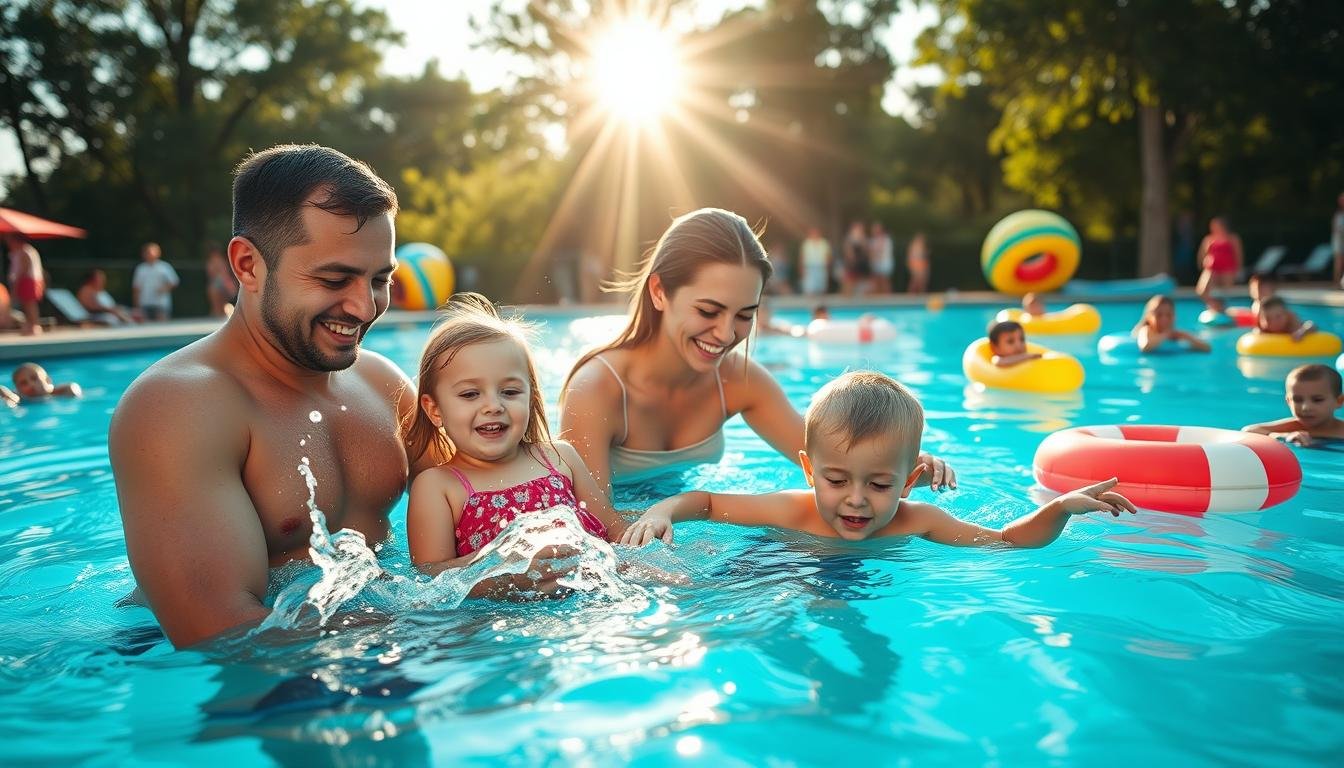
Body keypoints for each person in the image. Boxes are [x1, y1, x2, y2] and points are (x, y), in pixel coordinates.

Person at [109, 144, 422, 648]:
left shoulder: (383, 385)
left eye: (380, 280)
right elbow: (219, 634)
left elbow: (485, 499)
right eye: (334, 279)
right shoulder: (177, 408)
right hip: (212, 681)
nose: (365, 307)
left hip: (363, 645)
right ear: (249, 265)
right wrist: (440, 633)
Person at [559, 207, 955, 498]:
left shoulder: (737, 379)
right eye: (708, 311)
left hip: (678, 520)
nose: (726, 333)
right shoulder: (598, 388)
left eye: (745, 315)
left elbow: (825, 456)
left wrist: (910, 465)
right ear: (660, 291)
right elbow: (589, 517)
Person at [621, 372, 1134, 547]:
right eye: (837, 479)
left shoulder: (920, 521)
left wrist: (1060, 509)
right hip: (777, 569)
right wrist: (662, 510)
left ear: (910, 481)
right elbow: (708, 503)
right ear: (808, 470)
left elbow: (1005, 542)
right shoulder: (791, 510)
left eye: (881, 485)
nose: (858, 500)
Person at [404, 294, 626, 594]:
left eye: (509, 391)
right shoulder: (439, 486)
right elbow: (430, 577)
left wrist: (650, 529)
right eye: (470, 395)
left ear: (532, 397)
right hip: (498, 625)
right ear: (435, 410)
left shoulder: (560, 459)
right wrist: (504, 564)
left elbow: (615, 532)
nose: (493, 406)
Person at [1243, 364, 1344, 448]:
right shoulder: (1291, 427)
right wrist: (1283, 436)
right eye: (1297, 400)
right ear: (1288, 401)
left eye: (1317, 400)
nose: (1306, 407)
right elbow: (1248, 431)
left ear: (1339, 401)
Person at [1194, 216, 1242, 310]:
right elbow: (1203, 254)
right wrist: (1203, 263)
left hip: (1228, 268)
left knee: (1226, 291)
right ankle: (1212, 306)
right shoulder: (1209, 239)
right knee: (1202, 290)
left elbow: (1238, 254)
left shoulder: (1232, 238)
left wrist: (1238, 270)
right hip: (1213, 268)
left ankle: (1224, 308)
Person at [1133, 295, 1210, 353]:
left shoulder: (1176, 334)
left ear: (1174, 316)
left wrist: (1187, 337)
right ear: (1149, 317)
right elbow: (1144, 347)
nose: (1164, 319)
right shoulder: (1146, 330)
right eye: (1159, 315)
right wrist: (1165, 335)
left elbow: (1207, 348)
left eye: (1169, 315)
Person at [5, 233, 45, 335]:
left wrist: (16, 284)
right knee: (26, 303)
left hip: (27, 280)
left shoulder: (25, 251)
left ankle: (35, 326)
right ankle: (31, 325)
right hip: (28, 280)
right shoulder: (21, 251)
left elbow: (23, 269)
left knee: (29, 303)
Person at [131, 242, 180, 321]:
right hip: (145, 304)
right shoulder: (140, 269)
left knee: (162, 328)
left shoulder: (164, 267)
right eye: (148, 252)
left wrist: (164, 288)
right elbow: (136, 288)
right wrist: (136, 307)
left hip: (161, 304)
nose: (150, 254)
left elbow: (174, 281)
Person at [3, 362, 81, 405]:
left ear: (47, 380)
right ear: (18, 389)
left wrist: (50, 390)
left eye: (34, 378)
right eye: (24, 383)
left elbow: (72, 387)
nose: (31, 384)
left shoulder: (59, 392)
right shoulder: (20, 398)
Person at [204, 242, 240, 317]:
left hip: (223, 283)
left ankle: (219, 312)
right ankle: (217, 312)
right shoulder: (213, 261)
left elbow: (224, 274)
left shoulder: (220, 261)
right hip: (219, 283)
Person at [798, 227, 831, 296]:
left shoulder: (824, 243)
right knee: (809, 289)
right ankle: (810, 305)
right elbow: (802, 257)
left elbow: (828, 256)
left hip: (821, 267)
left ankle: (821, 305)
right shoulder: (806, 243)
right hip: (809, 268)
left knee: (822, 289)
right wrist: (802, 269)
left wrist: (827, 268)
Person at [841, 220, 870, 296]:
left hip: (862, 265)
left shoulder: (864, 238)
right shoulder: (849, 239)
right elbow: (848, 252)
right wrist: (852, 261)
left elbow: (866, 251)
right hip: (852, 265)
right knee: (849, 283)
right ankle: (847, 298)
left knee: (863, 285)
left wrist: (862, 239)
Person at [867, 221, 893, 294]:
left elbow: (882, 252)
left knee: (884, 282)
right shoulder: (872, 241)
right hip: (875, 264)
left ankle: (887, 298)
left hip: (884, 263)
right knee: (875, 283)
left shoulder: (886, 239)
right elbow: (871, 253)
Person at [1332, 192, 1344, 288]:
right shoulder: (1338, 215)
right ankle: (1336, 283)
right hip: (1339, 241)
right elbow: (1336, 229)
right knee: (1338, 262)